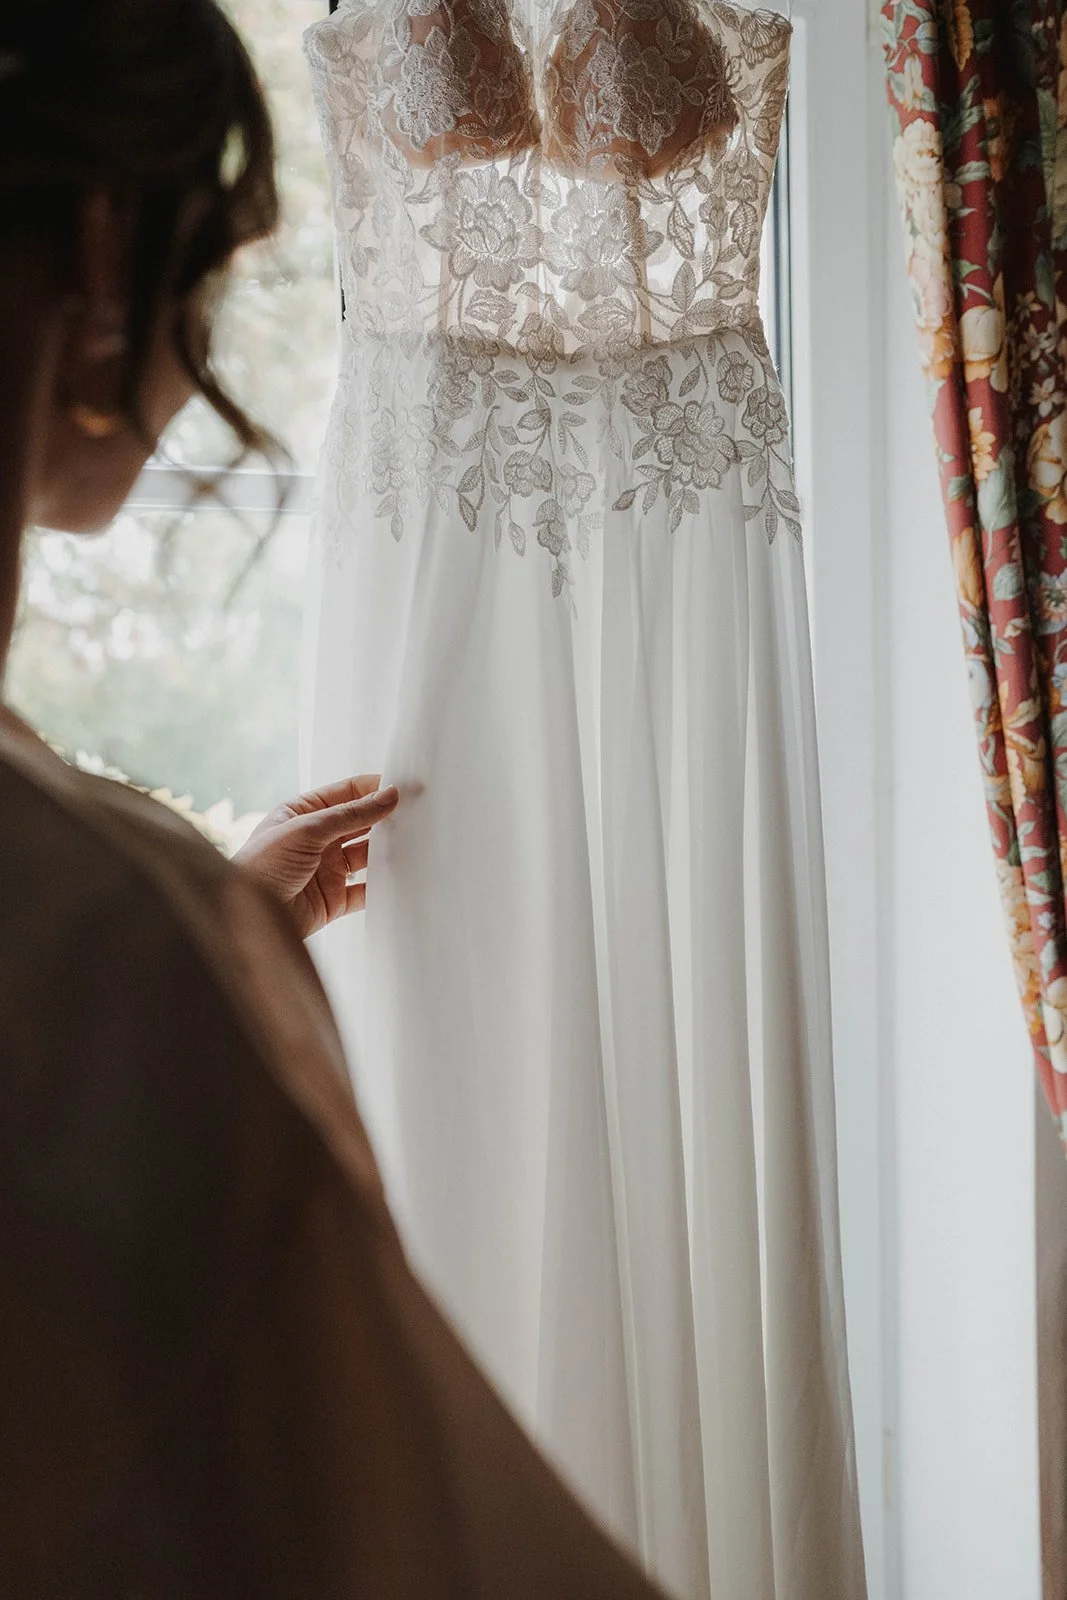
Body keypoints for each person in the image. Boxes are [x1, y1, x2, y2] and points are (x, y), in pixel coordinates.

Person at [0, 3, 668, 1594]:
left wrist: (205, 925)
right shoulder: (113, 941)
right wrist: (183, 959)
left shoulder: (115, 923)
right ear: (105, 256)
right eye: (219, 272)